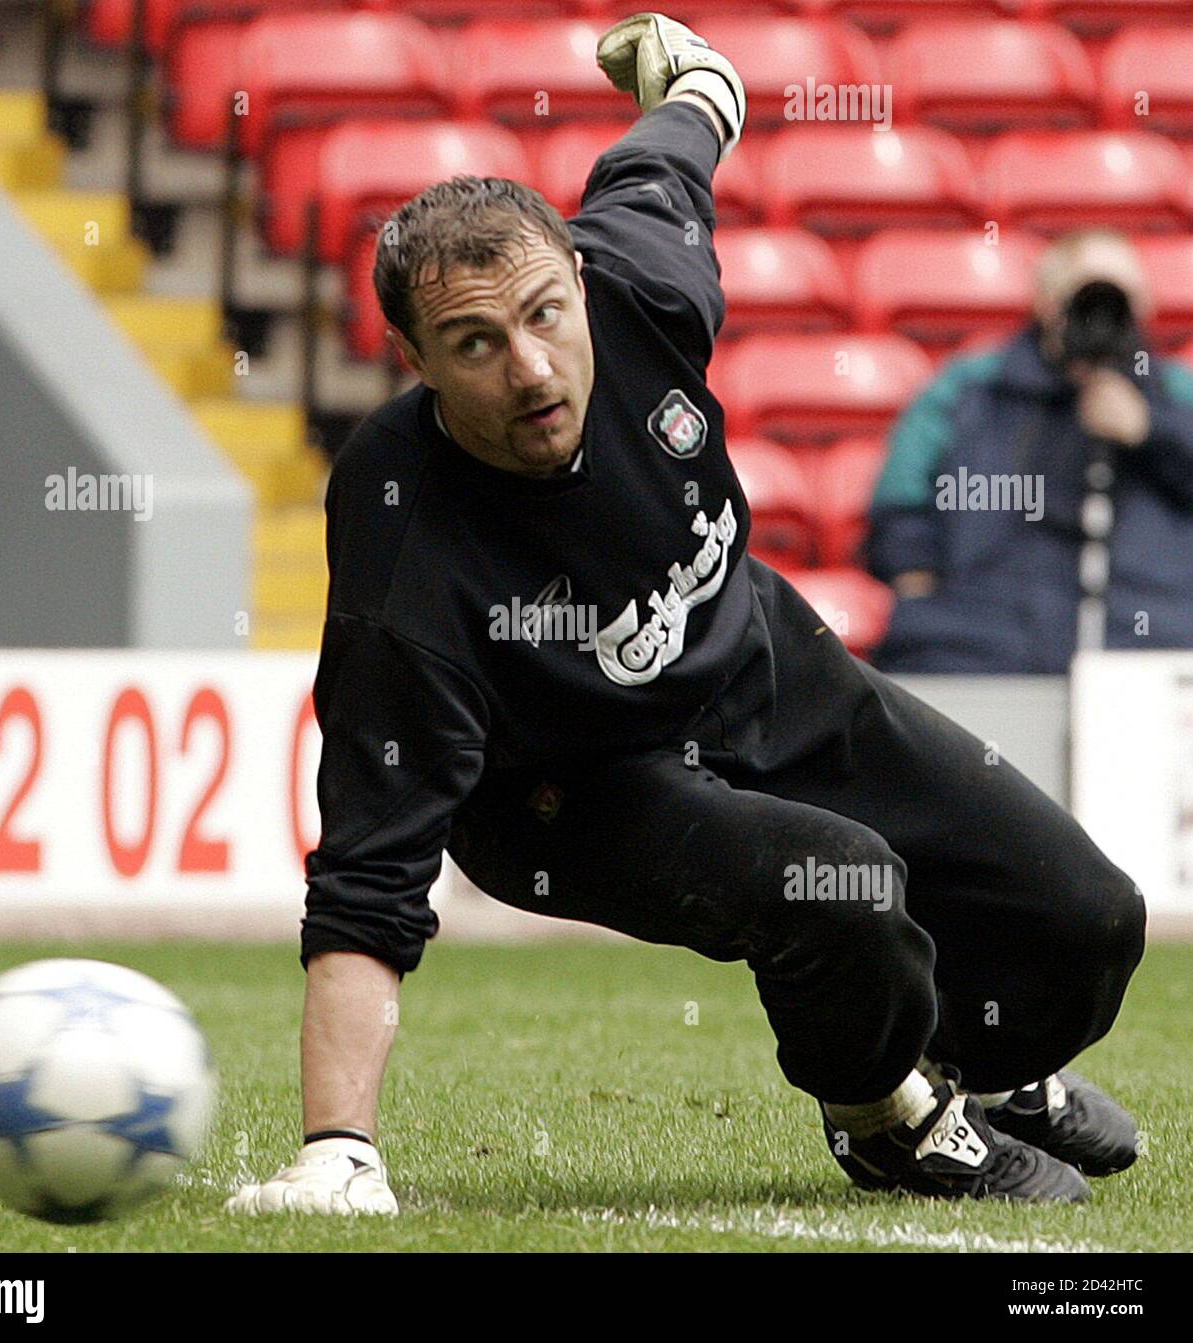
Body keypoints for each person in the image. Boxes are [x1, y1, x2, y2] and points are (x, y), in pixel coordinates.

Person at [226, 14, 1145, 1217]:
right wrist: (338, 1150)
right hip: (571, 788)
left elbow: (684, 127)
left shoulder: (641, 281)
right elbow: (366, 874)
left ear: (579, 280)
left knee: (1086, 912)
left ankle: (987, 1070)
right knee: (844, 887)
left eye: (545, 314)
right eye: (475, 343)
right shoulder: (407, 548)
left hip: (755, 659)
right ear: (412, 356)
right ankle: (886, 1121)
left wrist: (693, 72)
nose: (534, 368)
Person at [868, 229, 1193, 672]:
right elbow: (899, 504)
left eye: (1117, 298)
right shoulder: (973, 388)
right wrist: (920, 587)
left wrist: (1151, 431)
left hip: (1153, 649)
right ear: (1046, 302)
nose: (1099, 316)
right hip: (980, 646)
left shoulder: (1177, 395)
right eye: (1084, 297)